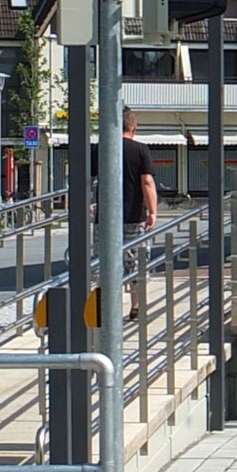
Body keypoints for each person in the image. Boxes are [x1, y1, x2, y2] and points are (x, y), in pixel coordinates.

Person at [95, 108, 158, 319]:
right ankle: (136, 307)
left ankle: (103, 309)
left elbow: (87, 179)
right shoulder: (141, 150)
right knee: (135, 263)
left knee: (102, 263)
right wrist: (153, 212)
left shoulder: (101, 149)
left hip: (104, 218)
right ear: (134, 128)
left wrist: (88, 203)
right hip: (133, 216)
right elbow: (147, 182)